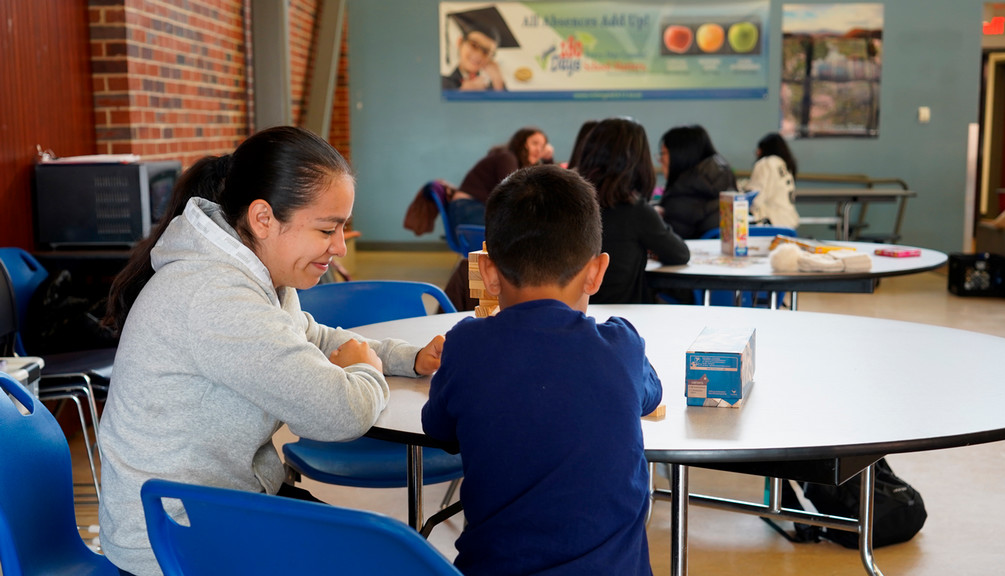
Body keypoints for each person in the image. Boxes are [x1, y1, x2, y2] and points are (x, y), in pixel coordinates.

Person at [97, 126, 445, 576]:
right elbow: (339, 412)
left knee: (372, 545)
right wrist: (365, 370)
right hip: (175, 538)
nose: (339, 247)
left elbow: (310, 337)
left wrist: (406, 357)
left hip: (217, 506)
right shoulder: (216, 296)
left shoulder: (249, 271)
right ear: (263, 218)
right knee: (382, 556)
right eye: (327, 228)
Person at [422, 164, 663, 576]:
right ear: (596, 271)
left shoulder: (464, 345)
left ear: (489, 273)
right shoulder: (622, 346)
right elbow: (651, 394)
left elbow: (438, 429)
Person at [574, 117, 690, 304]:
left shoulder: (566, 202)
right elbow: (680, 254)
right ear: (638, 161)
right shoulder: (635, 211)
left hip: (573, 315)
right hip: (624, 318)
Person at [447, 126, 550, 229]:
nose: (538, 150)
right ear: (520, 143)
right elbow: (513, 192)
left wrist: (548, 159)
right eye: (535, 143)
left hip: (470, 208)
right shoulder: (507, 157)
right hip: (469, 207)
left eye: (542, 146)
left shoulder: (511, 158)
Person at [656, 125, 739, 239]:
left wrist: (654, 219)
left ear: (679, 155)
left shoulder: (682, 192)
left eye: (663, 153)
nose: (660, 160)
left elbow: (669, 244)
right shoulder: (723, 177)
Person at [740, 132, 800, 229]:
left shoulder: (766, 163)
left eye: (759, 148)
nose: (757, 152)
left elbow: (756, 195)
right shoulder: (785, 165)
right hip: (789, 222)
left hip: (772, 223)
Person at [441, 25, 506, 92]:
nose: (478, 55)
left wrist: (498, 83)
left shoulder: (495, 88)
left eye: (486, 51)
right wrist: (462, 95)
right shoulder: (441, 85)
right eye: (474, 45)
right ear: (460, 42)